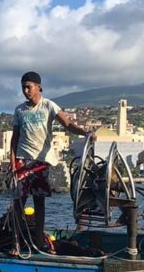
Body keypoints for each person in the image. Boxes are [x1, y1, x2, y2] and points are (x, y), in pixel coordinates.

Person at [10, 71, 94, 246]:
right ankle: (16, 242)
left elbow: (68, 124)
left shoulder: (48, 106)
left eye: (29, 87)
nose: (26, 90)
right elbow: (14, 138)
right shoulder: (19, 110)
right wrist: (12, 163)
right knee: (19, 203)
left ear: (38, 87)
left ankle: (39, 241)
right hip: (22, 160)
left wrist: (85, 132)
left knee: (39, 202)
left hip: (41, 162)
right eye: (23, 87)